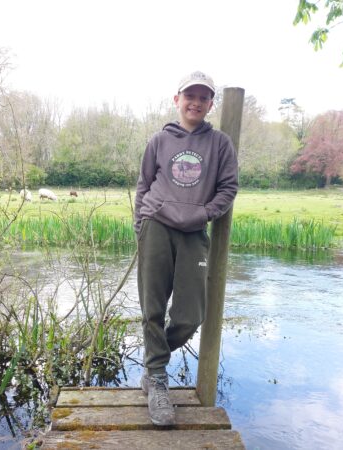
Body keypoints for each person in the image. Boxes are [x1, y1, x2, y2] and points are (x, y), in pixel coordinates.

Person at [134, 71, 239, 426]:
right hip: (156, 227)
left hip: (194, 232)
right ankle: (159, 384)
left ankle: (152, 365)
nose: (195, 102)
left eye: (203, 97)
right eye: (189, 95)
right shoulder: (159, 140)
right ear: (176, 99)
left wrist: (206, 213)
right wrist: (140, 227)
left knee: (190, 315)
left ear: (211, 104)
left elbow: (228, 187)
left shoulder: (220, 143)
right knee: (152, 308)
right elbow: (143, 185)